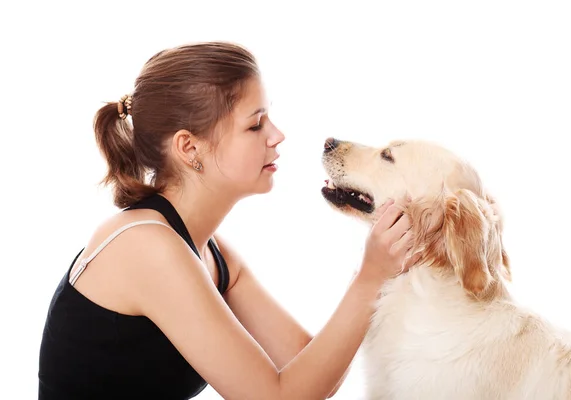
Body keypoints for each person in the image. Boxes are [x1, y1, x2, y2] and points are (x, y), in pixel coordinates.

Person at [37, 41, 415, 400]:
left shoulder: (212, 253)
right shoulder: (146, 247)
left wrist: (374, 271)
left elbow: (307, 365)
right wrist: (370, 275)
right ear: (189, 147)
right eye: (255, 125)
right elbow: (280, 396)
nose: (277, 135)